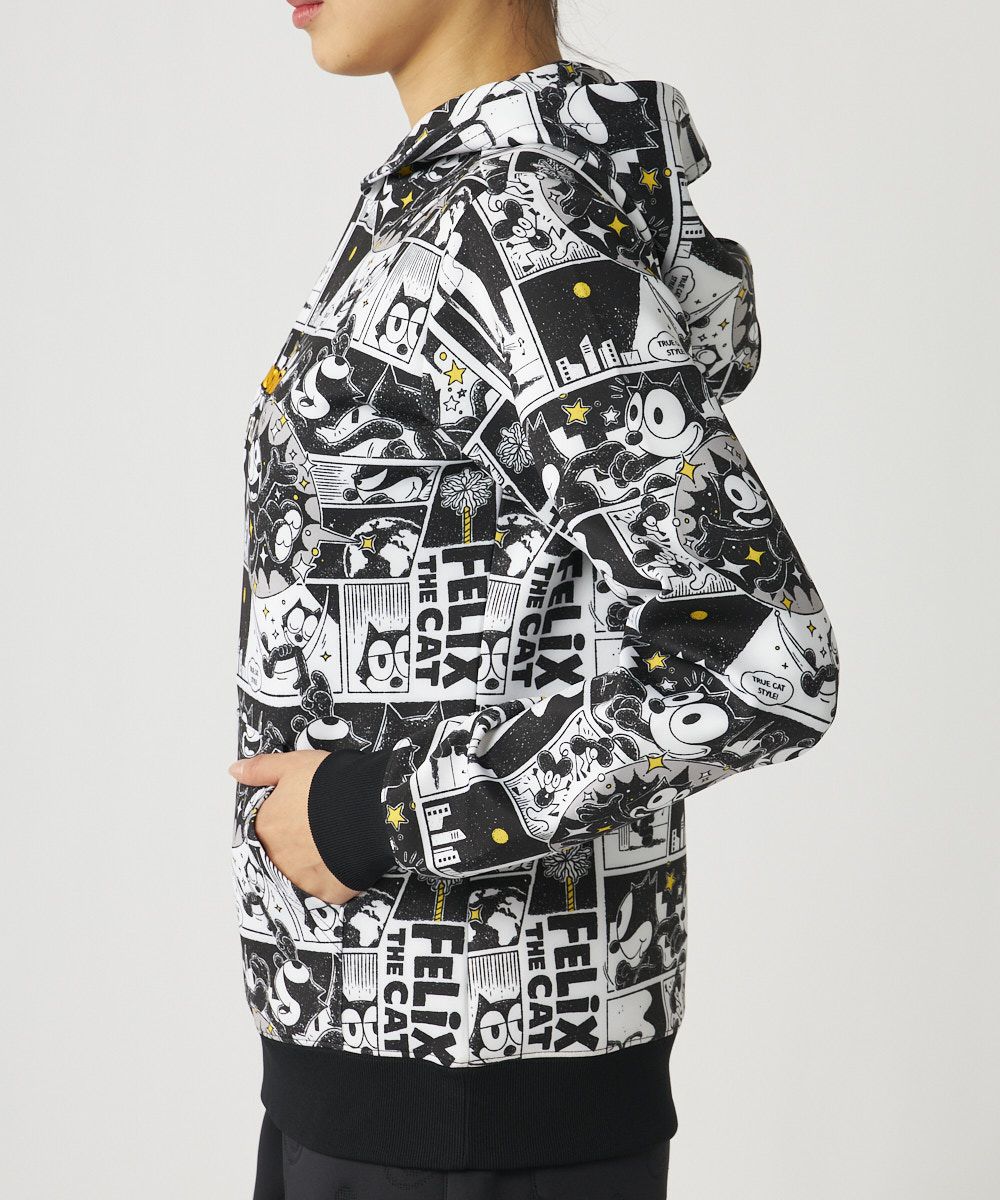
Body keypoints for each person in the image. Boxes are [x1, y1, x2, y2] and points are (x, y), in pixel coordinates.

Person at [228, 2, 840, 1197]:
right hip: (379, 1078)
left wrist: (385, 820)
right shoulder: (450, 203)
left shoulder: (514, 221)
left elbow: (758, 659)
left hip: (470, 1106)